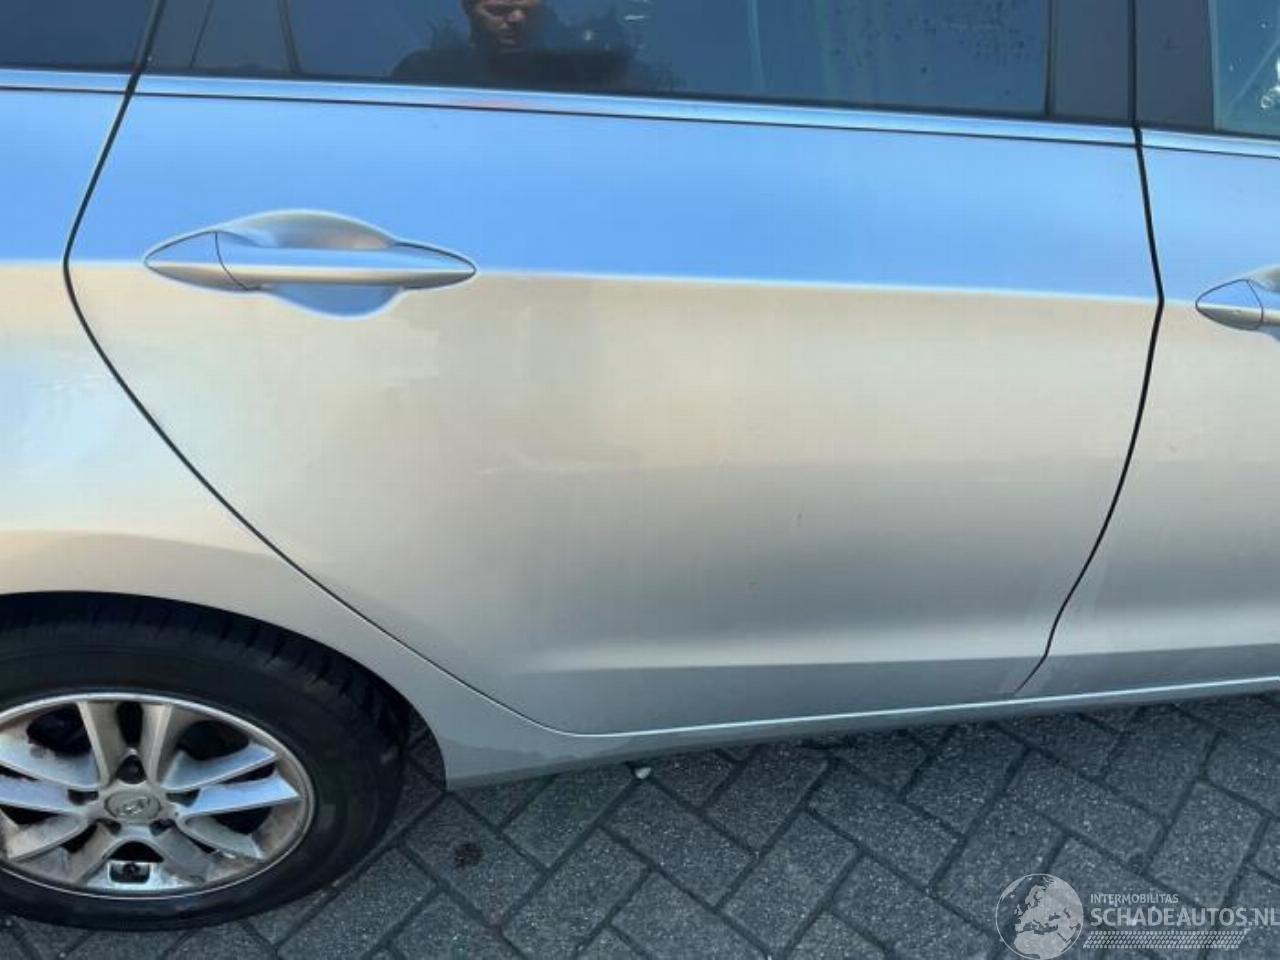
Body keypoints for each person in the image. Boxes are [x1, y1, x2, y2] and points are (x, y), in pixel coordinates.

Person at [394, 0, 668, 92]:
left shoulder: (589, 70)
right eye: (498, 10)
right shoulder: (424, 74)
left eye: (528, 10)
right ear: (468, 10)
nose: (516, 19)